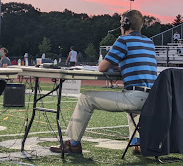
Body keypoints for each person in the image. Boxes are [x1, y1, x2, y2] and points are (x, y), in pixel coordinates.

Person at [50, 10, 157, 155]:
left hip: (135, 97)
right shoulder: (149, 42)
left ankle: (73, 143)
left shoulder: (123, 40)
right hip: (152, 99)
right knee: (133, 103)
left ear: (125, 24)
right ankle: (137, 143)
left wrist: (113, 64)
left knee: (85, 98)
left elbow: (102, 67)